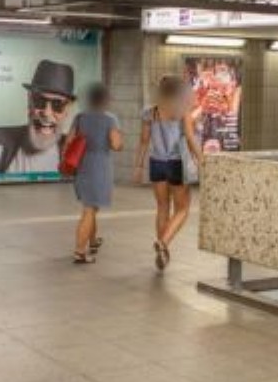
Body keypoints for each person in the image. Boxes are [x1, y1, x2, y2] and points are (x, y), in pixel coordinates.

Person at [134, 76, 204, 271]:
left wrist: (138, 166)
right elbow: (190, 138)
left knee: (162, 207)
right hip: (176, 164)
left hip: (156, 163)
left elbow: (143, 141)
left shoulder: (150, 112)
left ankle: (162, 250)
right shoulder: (182, 111)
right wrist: (202, 161)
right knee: (182, 209)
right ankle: (163, 242)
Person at [0, 59, 76, 174]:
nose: (47, 113)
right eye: (39, 101)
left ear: (67, 109)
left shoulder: (75, 152)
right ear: (29, 101)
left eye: (57, 105)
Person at [67, 83, 123, 264]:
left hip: (82, 165)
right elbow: (116, 144)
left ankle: (92, 241)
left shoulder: (80, 117)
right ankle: (79, 251)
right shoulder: (110, 119)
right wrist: (118, 140)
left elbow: (68, 142)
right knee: (89, 210)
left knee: (91, 206)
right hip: (99, 167)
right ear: (105, 99)